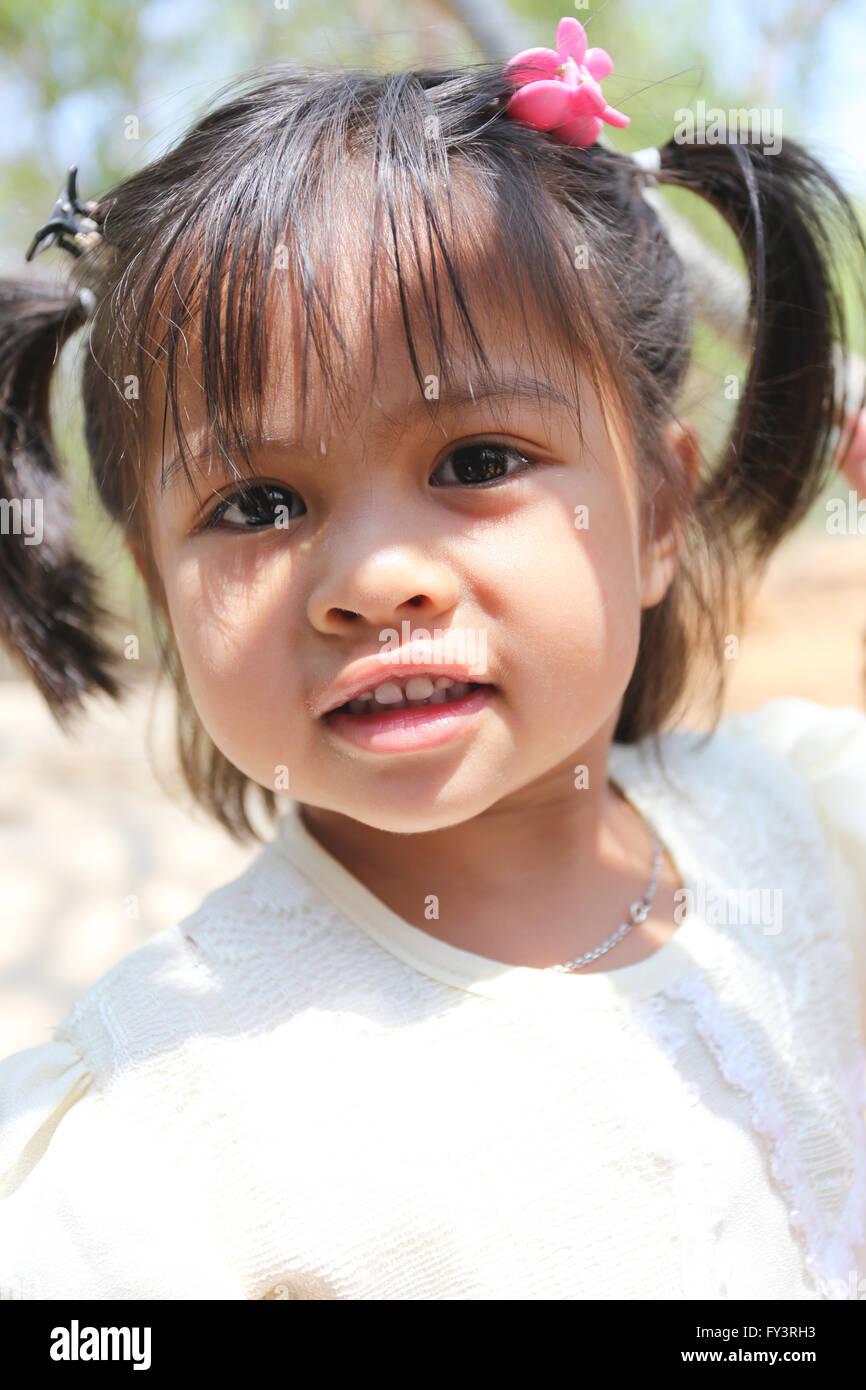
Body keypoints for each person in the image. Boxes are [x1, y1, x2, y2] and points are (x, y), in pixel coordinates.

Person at [1, 17, 864, 1300]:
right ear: (164, 584)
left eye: (474, 463)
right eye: (254, 504)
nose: (367, 581)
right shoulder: (151, 1136)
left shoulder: (811, 810)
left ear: (655, 517)